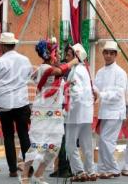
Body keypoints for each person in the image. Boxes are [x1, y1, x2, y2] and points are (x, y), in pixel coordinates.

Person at [20, 39, 79, 184]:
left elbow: (58, 84)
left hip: (55, 114)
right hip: (42, 113)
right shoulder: (44, 68)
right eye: (57, 52)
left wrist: (68, 85)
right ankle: (25, 176)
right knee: (37, 144)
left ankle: (39, 174)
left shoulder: (52, 70)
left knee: (55, 145)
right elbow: (57, 71)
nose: (59, 55)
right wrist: (72, 62)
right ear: (49, 54)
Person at [0, 32, 33, 177]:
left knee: (8, 136)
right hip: (21, 101)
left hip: (4, 102)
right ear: (13, 44)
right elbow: (29, 77)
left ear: (2, 46)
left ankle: (12, 169)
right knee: (24, 135)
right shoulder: (25, 59)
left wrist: (3, 86)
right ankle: (29, 168)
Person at [94, 41, 127, 179]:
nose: (108, 55)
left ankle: (113, 168)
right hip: (104, 111)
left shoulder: (120, 72)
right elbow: (95, 89)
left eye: (111, 53)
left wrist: (101, 95)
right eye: (106, 53)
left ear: (116, 55)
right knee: (102, 140)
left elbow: (119, 93)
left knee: (107, 140)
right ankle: (102, 168)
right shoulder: (100, 72)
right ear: (103, 54)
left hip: (116, 111)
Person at [65, 43, 97, 182]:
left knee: (70, 144)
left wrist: (68, 109)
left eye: (68, 55)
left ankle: (79, 171)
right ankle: (90, 171)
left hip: (75, 114)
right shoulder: (85, 70)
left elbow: (75, 92)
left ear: (75, 56)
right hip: (86, 112)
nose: (66, 57)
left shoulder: (75, 71)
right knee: (86, 144)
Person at [49, 45, 74, 178]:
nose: (65, 58)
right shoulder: (66, 68)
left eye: (68, 56)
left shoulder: (72, 70)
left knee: (64, 138)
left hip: (66, 109)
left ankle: (65, 167)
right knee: (61, 138)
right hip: (59, 108)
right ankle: (63, 166)